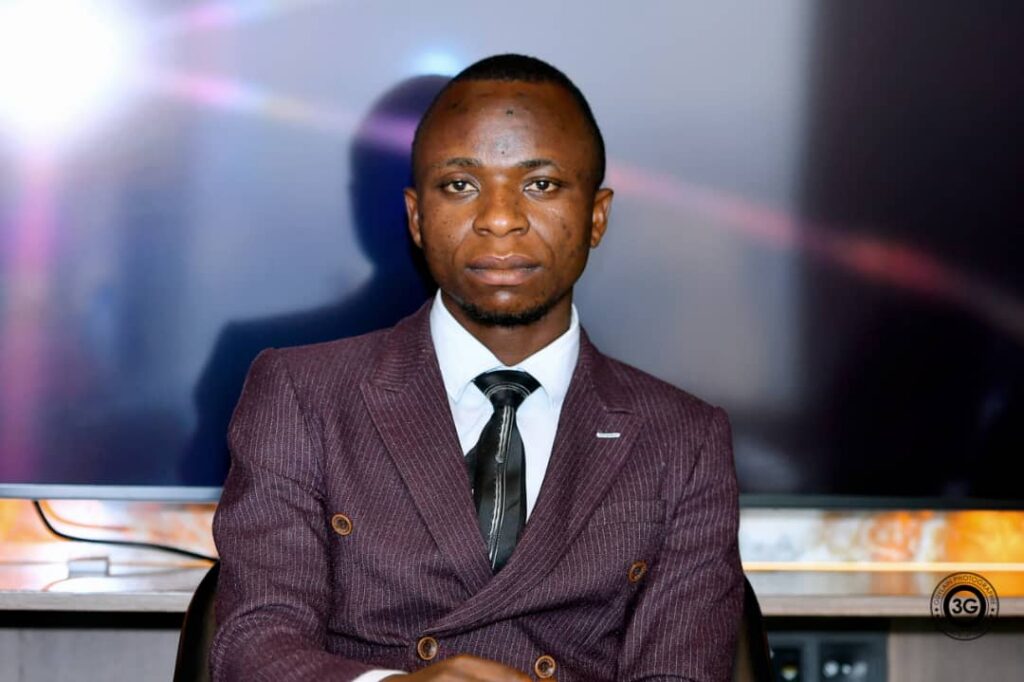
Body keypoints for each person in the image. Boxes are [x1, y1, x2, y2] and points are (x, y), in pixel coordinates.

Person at [211, 54, 743, 682]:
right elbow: (254, 647)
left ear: (596, 216)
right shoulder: (302, 395)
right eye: (461, 185)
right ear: (416, 218)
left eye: (540, 184)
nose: (499, 219)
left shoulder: (683, 440)